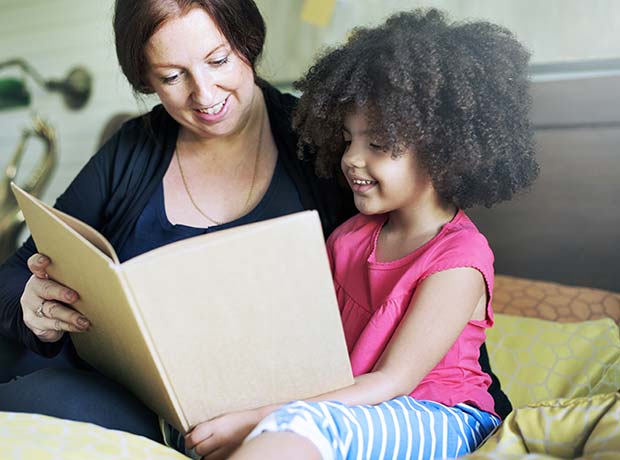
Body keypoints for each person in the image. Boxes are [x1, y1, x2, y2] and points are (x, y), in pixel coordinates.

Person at [182, 8, 539, 460]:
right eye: (348, 139)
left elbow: (394, 381)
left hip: (446, 418)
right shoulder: (349, 237)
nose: (351, 158)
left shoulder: (460, 260)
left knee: (293, 423)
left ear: (443, 151)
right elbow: (311, 350)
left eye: (377, 145)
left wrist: (264, 417)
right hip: (358, 410)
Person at [0, 0, 354, 442]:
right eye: (172, 76)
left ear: (248, 40)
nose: (204, 95)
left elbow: (417, 255)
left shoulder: (321, 143)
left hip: (272, 416)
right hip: (129, 401)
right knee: (31, 400)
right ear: (145, 79)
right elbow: (16, 272)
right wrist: (32, 307)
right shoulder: (133, 149)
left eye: (219, 60)